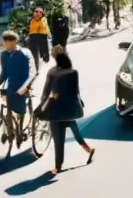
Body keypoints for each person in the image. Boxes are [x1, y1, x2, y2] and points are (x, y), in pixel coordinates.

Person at [41, 46, 94, 177]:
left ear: (54, 57)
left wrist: (43, 104)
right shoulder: (72, 71)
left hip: (56, 109)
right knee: (75, 130)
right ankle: (88, 149)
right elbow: (76, 91)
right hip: (69, 109)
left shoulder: (52, 72)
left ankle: (58, 166)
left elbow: (46, 91)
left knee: (58, 139)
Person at [0, 31, 36, 146]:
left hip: (24, 86)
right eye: (4, 41)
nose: (4, 44)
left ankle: (19, 130)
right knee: (7, 109)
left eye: (7, 41)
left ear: (14, 42)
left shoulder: (25, 53)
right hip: (11, 86)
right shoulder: (3, 55)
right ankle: (10, 132)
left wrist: (25, 87)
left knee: (21, 110)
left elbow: (33, 72)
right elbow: (4, 73)